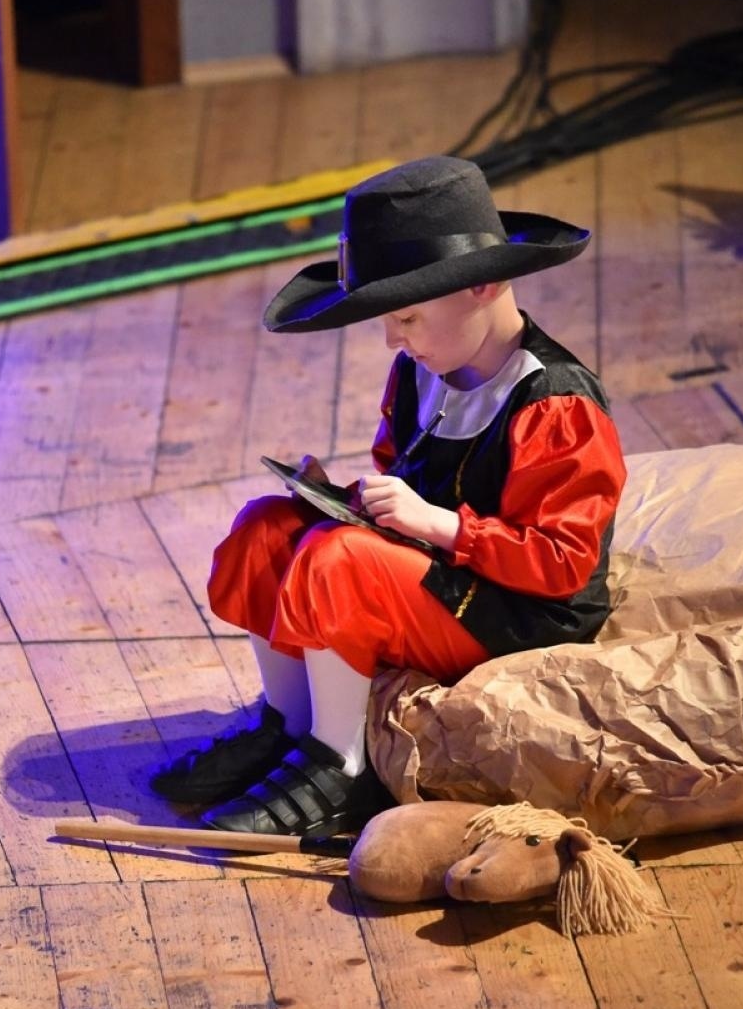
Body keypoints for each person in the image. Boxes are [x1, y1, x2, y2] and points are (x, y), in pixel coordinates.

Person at [149, 156, 626, 837]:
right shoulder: (418, 372)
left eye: (405, 315)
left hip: (517, 611)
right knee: (266, 529)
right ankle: (289, 722)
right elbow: (398, 468)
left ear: (481, 285)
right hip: (438, 568)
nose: (390, 338)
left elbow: (562, 563)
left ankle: (341, 764)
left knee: (340, 562)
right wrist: (343, 500)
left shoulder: (555, 404)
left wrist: (439, 527)